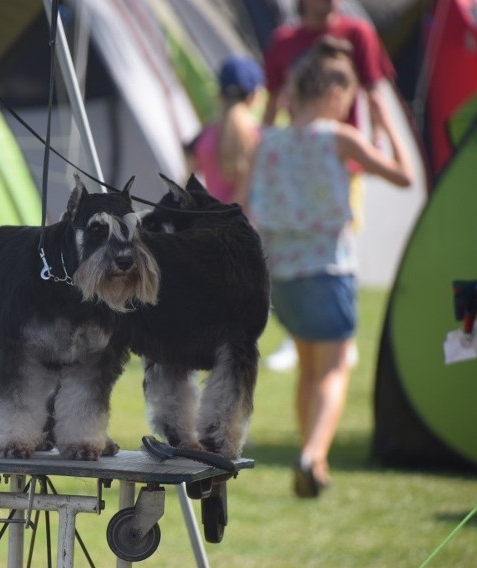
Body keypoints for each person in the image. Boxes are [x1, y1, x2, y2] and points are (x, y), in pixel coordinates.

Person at [248, 37, 412, 498]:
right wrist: (384, 122)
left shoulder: (269, 142)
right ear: (335, 94)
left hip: (280, 275)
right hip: (327, 269)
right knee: (336, 368)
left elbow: (242, 203)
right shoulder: (340, 137)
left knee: (307, 367)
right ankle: (314, 454)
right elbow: (405, 176)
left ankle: (310, 452)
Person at [261, 0, 401, 371]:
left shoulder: (358, 33)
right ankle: (304, 336)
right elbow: (273, 103)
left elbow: (373, 92)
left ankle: (337, 334)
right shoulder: (284, 40)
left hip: (340, 157)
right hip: (297, 155)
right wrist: (266, 150)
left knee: (338, 236)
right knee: (302, 237)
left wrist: (379, 140)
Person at [185, 54, 263, 210]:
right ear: (254, 97)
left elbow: (185, 185)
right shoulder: (259, 138)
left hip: (208, 222)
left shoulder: (204, 137)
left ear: (219, 95)